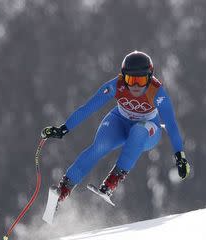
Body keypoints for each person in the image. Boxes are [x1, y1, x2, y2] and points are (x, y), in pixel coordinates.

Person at [41, 50, 190, 202]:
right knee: (100, 146)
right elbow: (89, 107)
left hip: (149, 129)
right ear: (123, 77)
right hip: (120, 121)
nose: (136, 86)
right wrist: (63, 129)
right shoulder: (116, 85)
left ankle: (111, 183)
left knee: (138, 131)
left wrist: (180, 156)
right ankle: (64, 189)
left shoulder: (157, 91)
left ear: (150, 77)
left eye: (141, 80)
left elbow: (171, 124)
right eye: (131, 80)